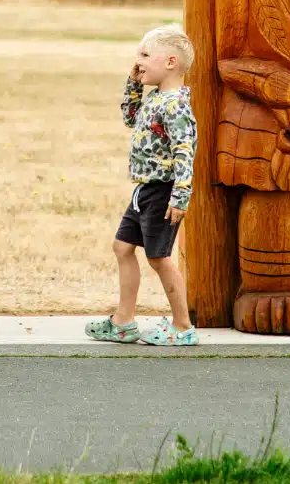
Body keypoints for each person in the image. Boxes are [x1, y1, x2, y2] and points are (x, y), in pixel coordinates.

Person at [87, 23, 199, 347]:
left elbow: (185, 150)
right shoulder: (154, 97)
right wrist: (133, 84)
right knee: (123, 247)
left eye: (145, 55)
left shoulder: (176, 104)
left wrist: (180, 196)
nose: (139, 61)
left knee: (159, 257)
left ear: (170, 63)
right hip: (144, 190)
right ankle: (123, 322)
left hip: (164, 192)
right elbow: (129, 116)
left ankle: (182, 326)